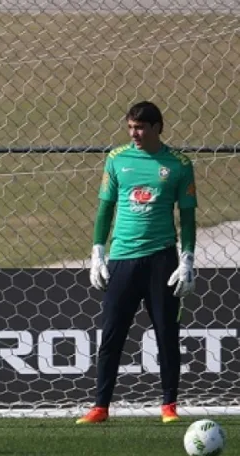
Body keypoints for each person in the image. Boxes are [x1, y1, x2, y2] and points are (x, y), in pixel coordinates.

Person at [77, 101, 197, 424]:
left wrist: (186, 258)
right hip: (122, 259)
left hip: (161, 259)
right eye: (130, 127)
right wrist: (98, 252)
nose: (135, 134)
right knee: (111, 334)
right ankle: (100, 407)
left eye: (141, 128)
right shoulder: (117, 159)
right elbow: (105, 208)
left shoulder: (179, 164)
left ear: (158, 127)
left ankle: (169, 406)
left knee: (166, 334)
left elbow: (187, 217)